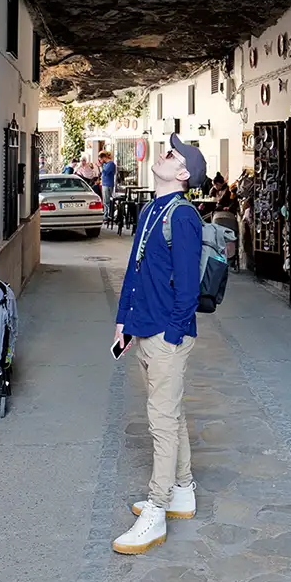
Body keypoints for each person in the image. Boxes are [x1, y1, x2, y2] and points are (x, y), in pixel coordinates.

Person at [112, 133, 206, 554]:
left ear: (183, 173)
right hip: (144, 327)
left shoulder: (184, 217)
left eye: (172, 154)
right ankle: (182, 490)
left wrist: (171, 335)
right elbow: (133, 272)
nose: (163, 154)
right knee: (172, 414)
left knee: (161, 422)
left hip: (167, 335)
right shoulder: (151, 209)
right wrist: (123, 322)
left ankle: (157, 509)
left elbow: (187, 288)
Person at [100, 150, 117, 217]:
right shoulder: (105, 164)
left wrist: (100, 166)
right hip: (104, 184)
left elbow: (105, 173)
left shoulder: (110, 164)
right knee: (105, 200)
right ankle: (107, 214)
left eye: (101, 159)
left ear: (104, 158)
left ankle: (107, 216)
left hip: (108, 184)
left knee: (107, 201)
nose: (101, 161)